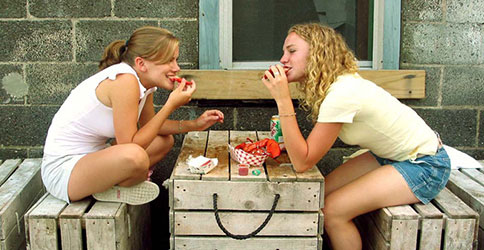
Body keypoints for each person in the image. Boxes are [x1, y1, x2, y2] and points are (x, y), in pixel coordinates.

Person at [261, 23, 450, 250]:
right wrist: (290, 146)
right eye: (284, 52)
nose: (283, 59)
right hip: (388, 156)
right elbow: (310, 149)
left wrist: (282, 99)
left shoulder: (342, 93)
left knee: (332, 212)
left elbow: (303, 162)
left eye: (292, 51)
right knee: (319, 194)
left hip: (425, 165)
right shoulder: (335, 86)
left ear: (318, 54)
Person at [41, 26, 224, 205]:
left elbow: (151, 125)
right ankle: (117, 185)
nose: (176, 67)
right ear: (141, 64)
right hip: (64, 172)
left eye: (176, 60)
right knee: (134, 156)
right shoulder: (125, 81)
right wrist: (170, 105)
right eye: (169, 61)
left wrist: (195, 124)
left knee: (164, 141)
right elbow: (129, 145)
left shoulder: (144, 82)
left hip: (94, 157)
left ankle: (110, 186)